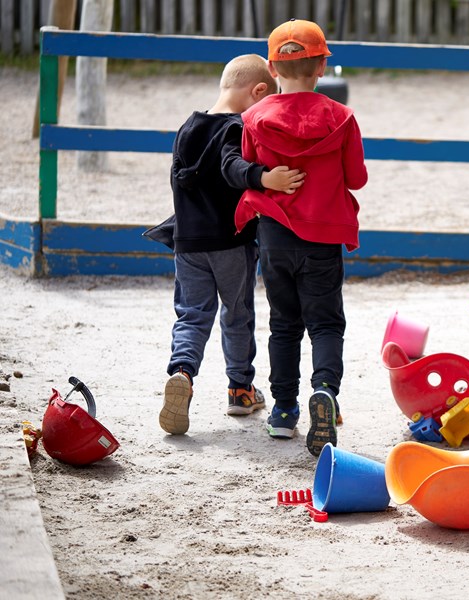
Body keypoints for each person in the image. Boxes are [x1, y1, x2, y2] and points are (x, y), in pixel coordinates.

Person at [235, 19, 369, 457]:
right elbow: (358, 178)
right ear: (321, 68)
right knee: (326, 323)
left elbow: (252, 173)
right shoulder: (342, 117)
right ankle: (325, 391)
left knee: (283, 324)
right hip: (323, 238)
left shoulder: (253, 117)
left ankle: (284, 411)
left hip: (275, 238)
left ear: (273, 70)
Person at [159, 54, 306, 436]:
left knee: (192, 314)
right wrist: (263, 178)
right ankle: (240, 389)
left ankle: (182, 373)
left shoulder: (187, 126)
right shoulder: (238, 128)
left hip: (187, 242)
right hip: (229, 242)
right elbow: (233, 168)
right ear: (258, 91)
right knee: (236, 314)